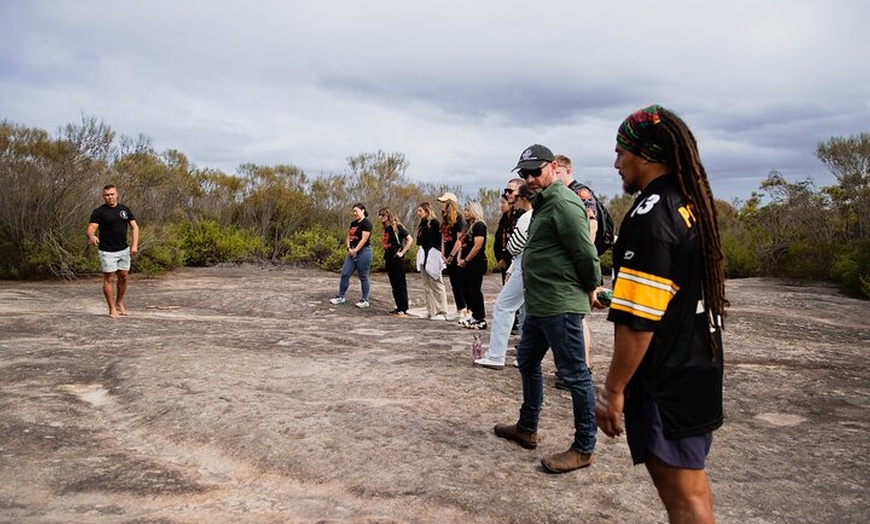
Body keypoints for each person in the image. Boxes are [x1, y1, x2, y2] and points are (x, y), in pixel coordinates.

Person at [595, 105, 727, 523]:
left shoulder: (652, 215)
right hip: (695, 365)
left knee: (683, 496)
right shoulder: (689, 202)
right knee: (693, 490)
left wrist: (613, 390)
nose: (617, 163)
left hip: (667, 380)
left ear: (647, 153)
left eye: (621, 152)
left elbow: (639, 321)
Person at [494, 144, 601, 474]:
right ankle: (527, 428)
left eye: (535, 171)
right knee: (526, 360)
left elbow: (584, 252)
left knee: (574, 375)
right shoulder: (543, 203)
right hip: (540, 304)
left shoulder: (565, 203)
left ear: (553, 167)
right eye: (524, 173)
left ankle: (584, 448)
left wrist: (591, 286)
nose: (530, 178)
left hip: (560, 303)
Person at [474, 181, 533, 369]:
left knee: (504, 306)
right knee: (531, 312)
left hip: (525, 265)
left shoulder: (527, 217)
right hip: (533, 267)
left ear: (523, 197)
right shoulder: (541, 214)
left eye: (512, 193)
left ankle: (496, 355)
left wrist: (511, 265)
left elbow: (514, 246)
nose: (509, 197)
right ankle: (525, 356)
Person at [553, 154, 600, 384]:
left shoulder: (580, 193)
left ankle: (583, 368)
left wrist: (582, 257)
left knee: (577, 317)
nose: (554, 175)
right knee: (573, 317)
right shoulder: (559, 195)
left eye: (558, 172)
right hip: (571, 261)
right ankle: (575, 368)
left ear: (567, 171)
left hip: (578, 261)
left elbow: (591, 225)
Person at [87, 184, 139, 319]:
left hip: (123, 249)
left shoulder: (124, 210)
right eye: (107, 195)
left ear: (117, 194)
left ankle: (119, 303)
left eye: (112, 194)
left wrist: (134, 245)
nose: (110, 197)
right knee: (109, 278)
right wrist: (92, 236)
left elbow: (134, 227)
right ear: (103, 196)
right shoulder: (99, 212)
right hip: (107, 251)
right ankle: (111, 309)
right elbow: (91, 227)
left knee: (123, 276)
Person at [329, 203, 373, 308]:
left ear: (363, 211)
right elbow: (349, 236)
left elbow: (364, 239)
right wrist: (349, 248)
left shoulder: (367, 223)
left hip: (363, 252)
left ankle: (365, 300)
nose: (354, 213)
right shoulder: (353, 223)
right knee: (345, 273)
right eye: (353, 211)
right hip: (352, 251)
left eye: (356, 211)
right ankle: (341, 297)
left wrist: (356, 250)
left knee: (363, 276)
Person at [414, 202, 450, 321]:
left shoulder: (434, 223)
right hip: (424, 254)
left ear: (426, 211)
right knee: (426, 284)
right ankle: (431, 310)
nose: (418, 213)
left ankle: (442, 311)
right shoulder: (422, 224)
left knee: (436, 283)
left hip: (433, 254)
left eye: (420, 210)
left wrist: (440, 254)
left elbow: (441, 239)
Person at [456, 201, 488, 330]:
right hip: (464, 263)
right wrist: (459, 258)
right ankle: (473, 314)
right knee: (466, 289)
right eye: (465, 210)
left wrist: (466, 260)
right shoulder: (467, 226)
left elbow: (477, 246)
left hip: (475, 262)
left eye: (468, 210)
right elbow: (461, 243)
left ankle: (480, 317)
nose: (465, 212)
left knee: (474, 289)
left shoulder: (479, 225)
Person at [378, 207, 413, 317]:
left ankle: (404, 308)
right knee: (394, 283)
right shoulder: (386, 228)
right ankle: (398, 307)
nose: (381, 217)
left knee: (400, 283)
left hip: (397, 258)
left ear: (389, 215)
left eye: (383, 215)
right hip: (389, 258)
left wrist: (402, 252)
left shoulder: (397, 227)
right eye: (380, 215)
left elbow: (410, 239)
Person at [438, 192, 467, 319]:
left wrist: (452, 255)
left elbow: (459, 239)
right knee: (454, 283)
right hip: (448, 253)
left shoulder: (459, 218)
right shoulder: (444, 219)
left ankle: (466, 309)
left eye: (444, 202)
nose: (441, 204)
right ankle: (460, 308)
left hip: (456, 253)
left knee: (461, 282)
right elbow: (443, 237)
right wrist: (443, 253)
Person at [493, 194, 513, 284]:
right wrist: (499, 259)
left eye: (503, 203)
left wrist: (505, 258)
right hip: (502, 260)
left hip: (512, 260)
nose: (501, 205)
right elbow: (497, 241)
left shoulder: (516, 220)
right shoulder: (503, 221)